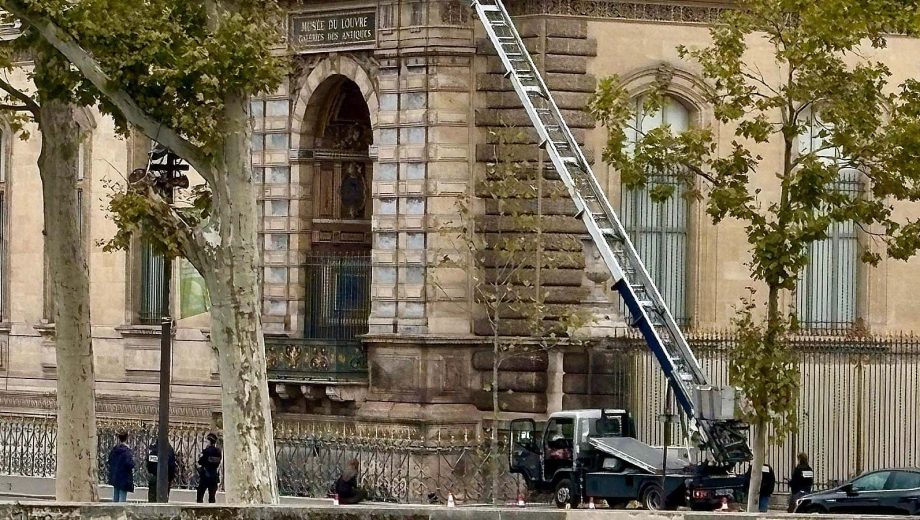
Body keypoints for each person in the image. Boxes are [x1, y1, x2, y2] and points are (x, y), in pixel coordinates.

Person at [107, 431, 135, 503]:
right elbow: (130, 464)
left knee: (115, 497)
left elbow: (109, 461)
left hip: (115, 476)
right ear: (127, 438)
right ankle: (120, 513)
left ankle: (114, 512)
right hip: (124, 477)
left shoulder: (114, 450)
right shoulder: (127, 451)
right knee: (122, 498)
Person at [196, 433, 222, 503]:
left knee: (200, 495)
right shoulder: (218, 452)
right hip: (214, 476)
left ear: (210, 441)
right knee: (212, 497)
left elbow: (200, 461)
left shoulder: (207, 451)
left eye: (207, 441)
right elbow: (218, 462)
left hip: (205, 475)